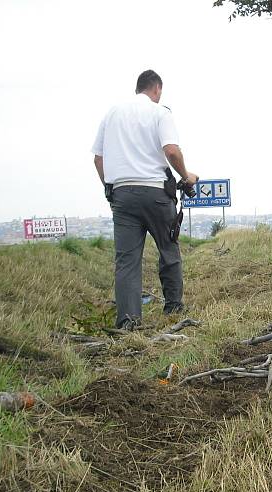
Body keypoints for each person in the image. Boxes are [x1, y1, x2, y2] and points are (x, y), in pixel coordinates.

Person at [92, 70, 198, 329]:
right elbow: (171, 151)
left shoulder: (112, 113)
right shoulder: (160, 112)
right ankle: (173, 306)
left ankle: (128, 320)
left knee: (127, 260)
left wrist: (110, 186)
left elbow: (98, 158)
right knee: (168, 249)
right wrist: (186, 176)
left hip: (122, 194)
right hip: (155, 193)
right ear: (157, 89)